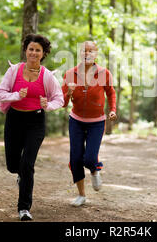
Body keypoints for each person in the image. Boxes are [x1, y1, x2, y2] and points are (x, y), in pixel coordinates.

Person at [0, 33, 64, 221]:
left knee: (27, 164)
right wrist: (16, 96)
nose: (34, 53)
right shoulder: (14, 71)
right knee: (13, 165)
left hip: (36, 122)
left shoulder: (47, 76)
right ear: (26, 50)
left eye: (38, 50)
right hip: (14, 119)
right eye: (31, 49)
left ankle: (24, 208)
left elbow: (59, 98)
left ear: (43, 53)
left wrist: (48, 105)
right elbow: (1, 93)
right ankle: (20, 174)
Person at [62, 41, 117, 207]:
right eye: (84, 51)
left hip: (97, 122)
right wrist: (69, 93)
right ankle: (81, 195)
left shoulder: (104, 73)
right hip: (76, 121)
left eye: (90, 51)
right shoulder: (70, 74)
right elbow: (63, 103)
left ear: (96, 54)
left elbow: (111, 92)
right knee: (75, 158)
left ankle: (94, 169)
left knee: (90, 158)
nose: (87, 54)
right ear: (80, 54)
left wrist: (112, 109)